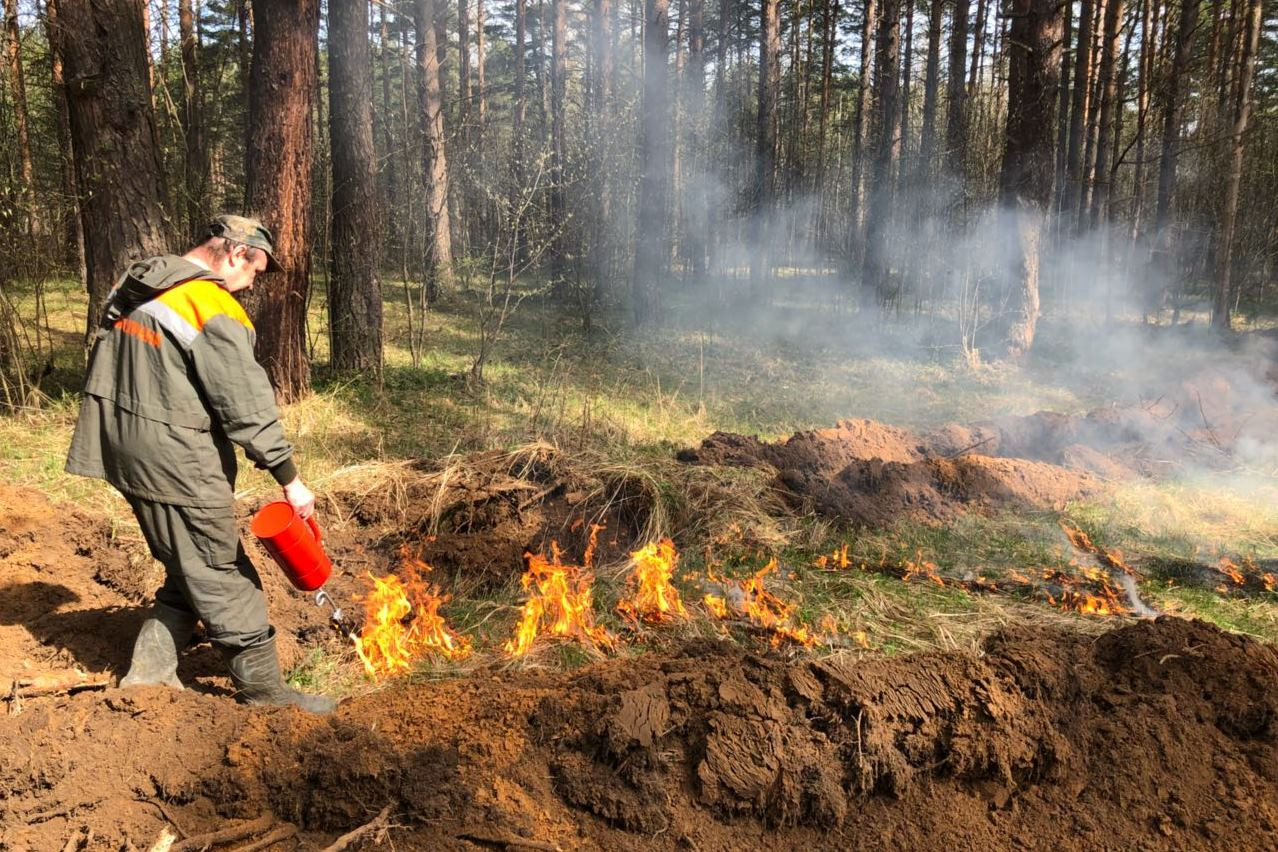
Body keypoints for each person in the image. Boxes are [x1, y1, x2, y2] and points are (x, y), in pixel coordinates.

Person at [66, 215, 336, 714]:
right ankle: (267, 697)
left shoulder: (144, 286)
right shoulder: (208, 304)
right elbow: (246, 406)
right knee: (221, 568)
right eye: (255, 268)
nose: (254, 282)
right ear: (234, 254)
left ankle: (149, 676)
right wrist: (290, 480)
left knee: (185, 563)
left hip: (123, 446)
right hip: (172, 458)